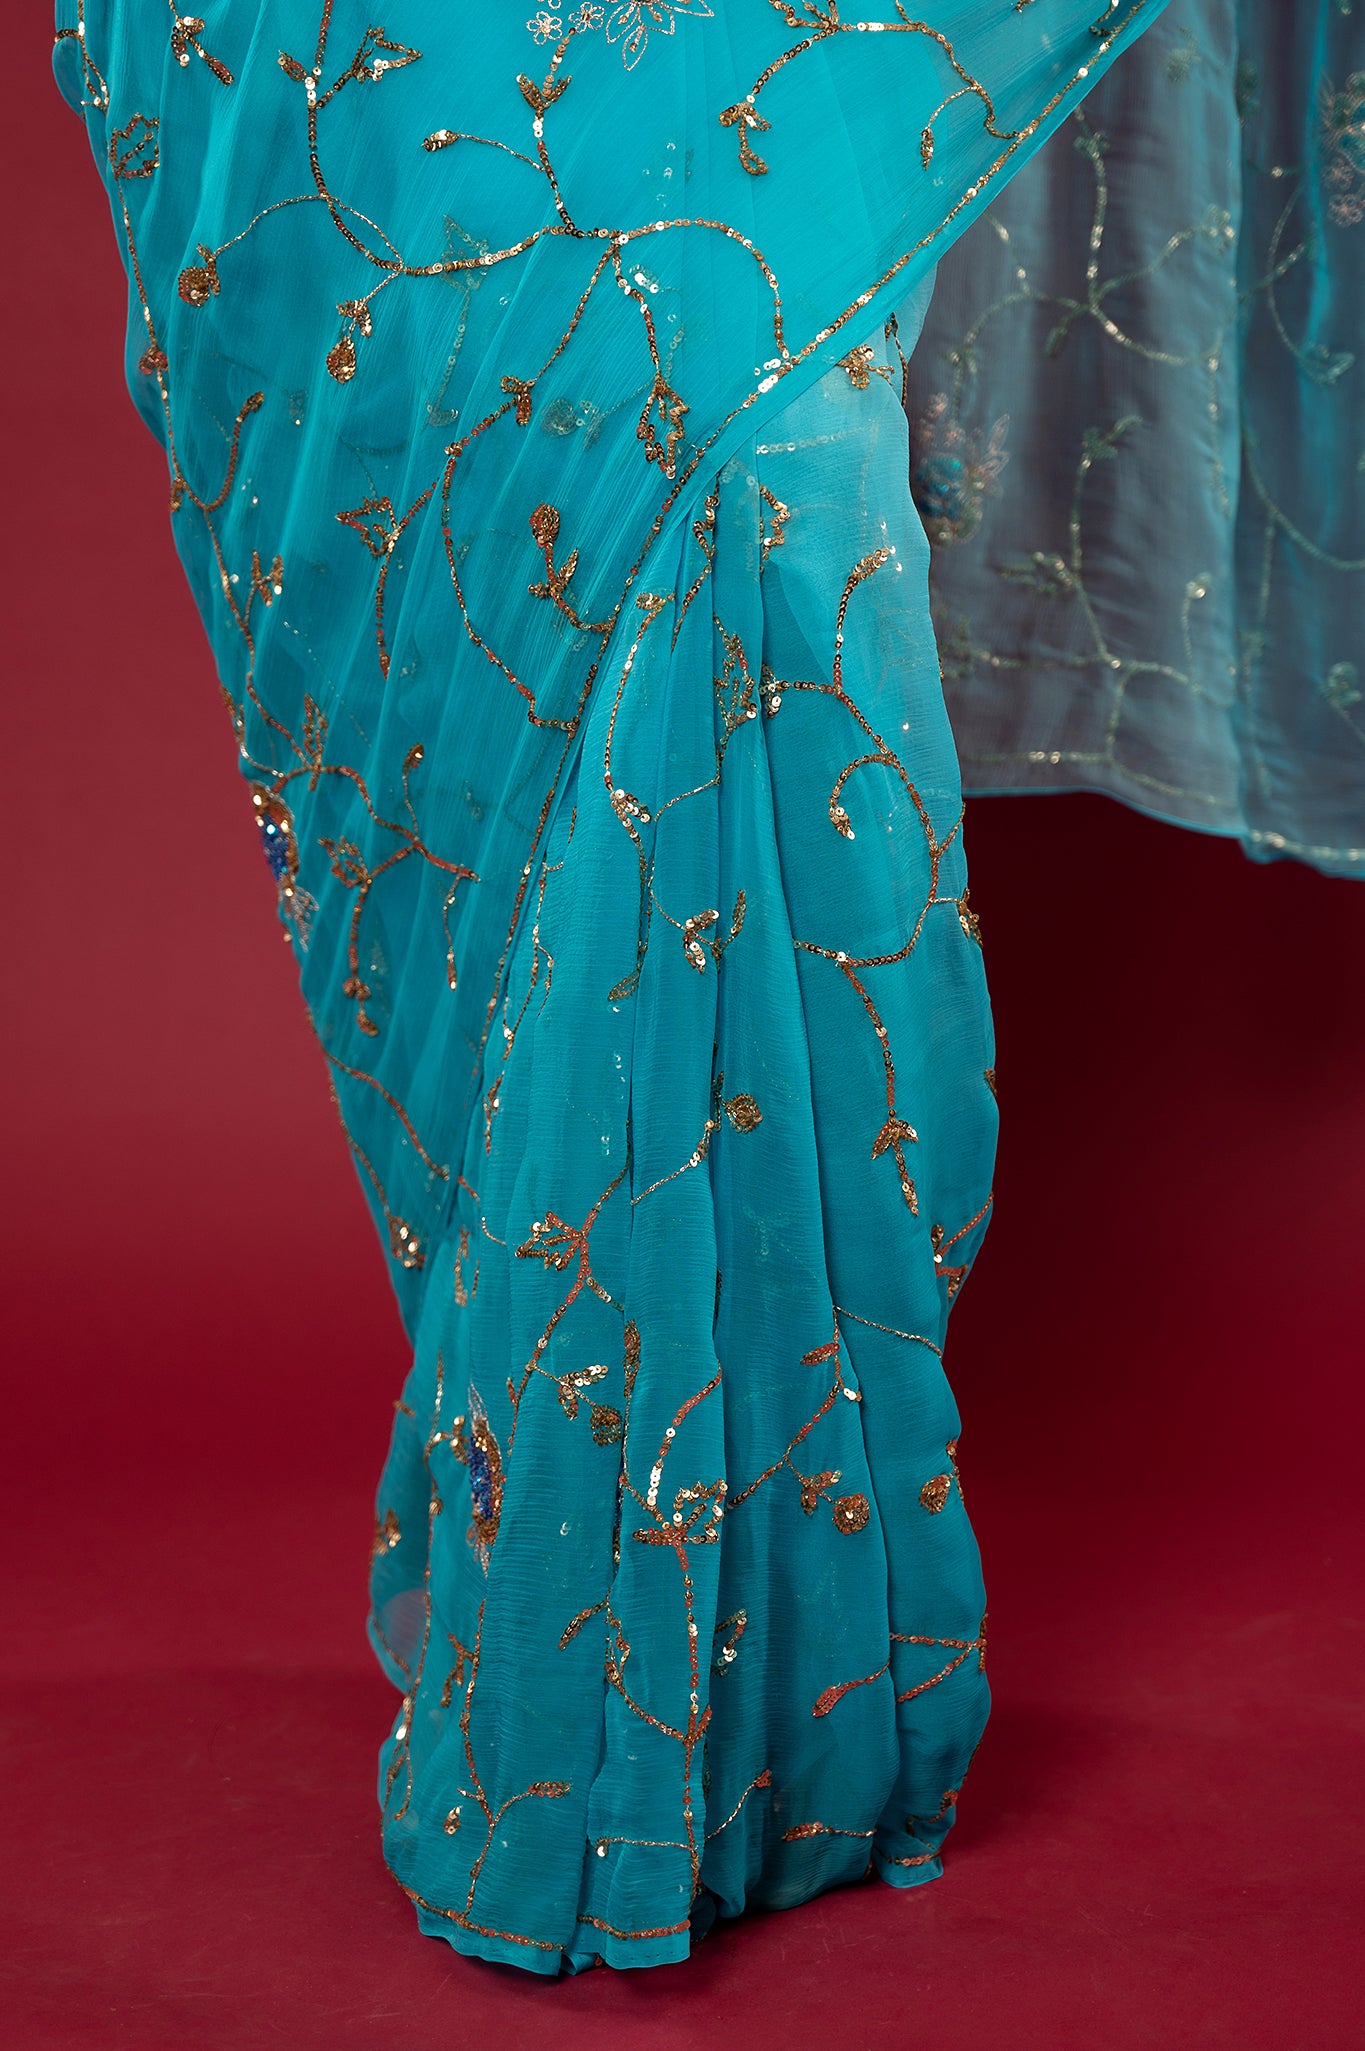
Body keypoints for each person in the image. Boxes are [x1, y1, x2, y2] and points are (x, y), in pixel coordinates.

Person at [55, 0, 1358, 1977]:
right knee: (531, 692)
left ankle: (753, 1714)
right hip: (442, 65)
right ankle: (581, 1651)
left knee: (769, 507)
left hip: (796, 64)